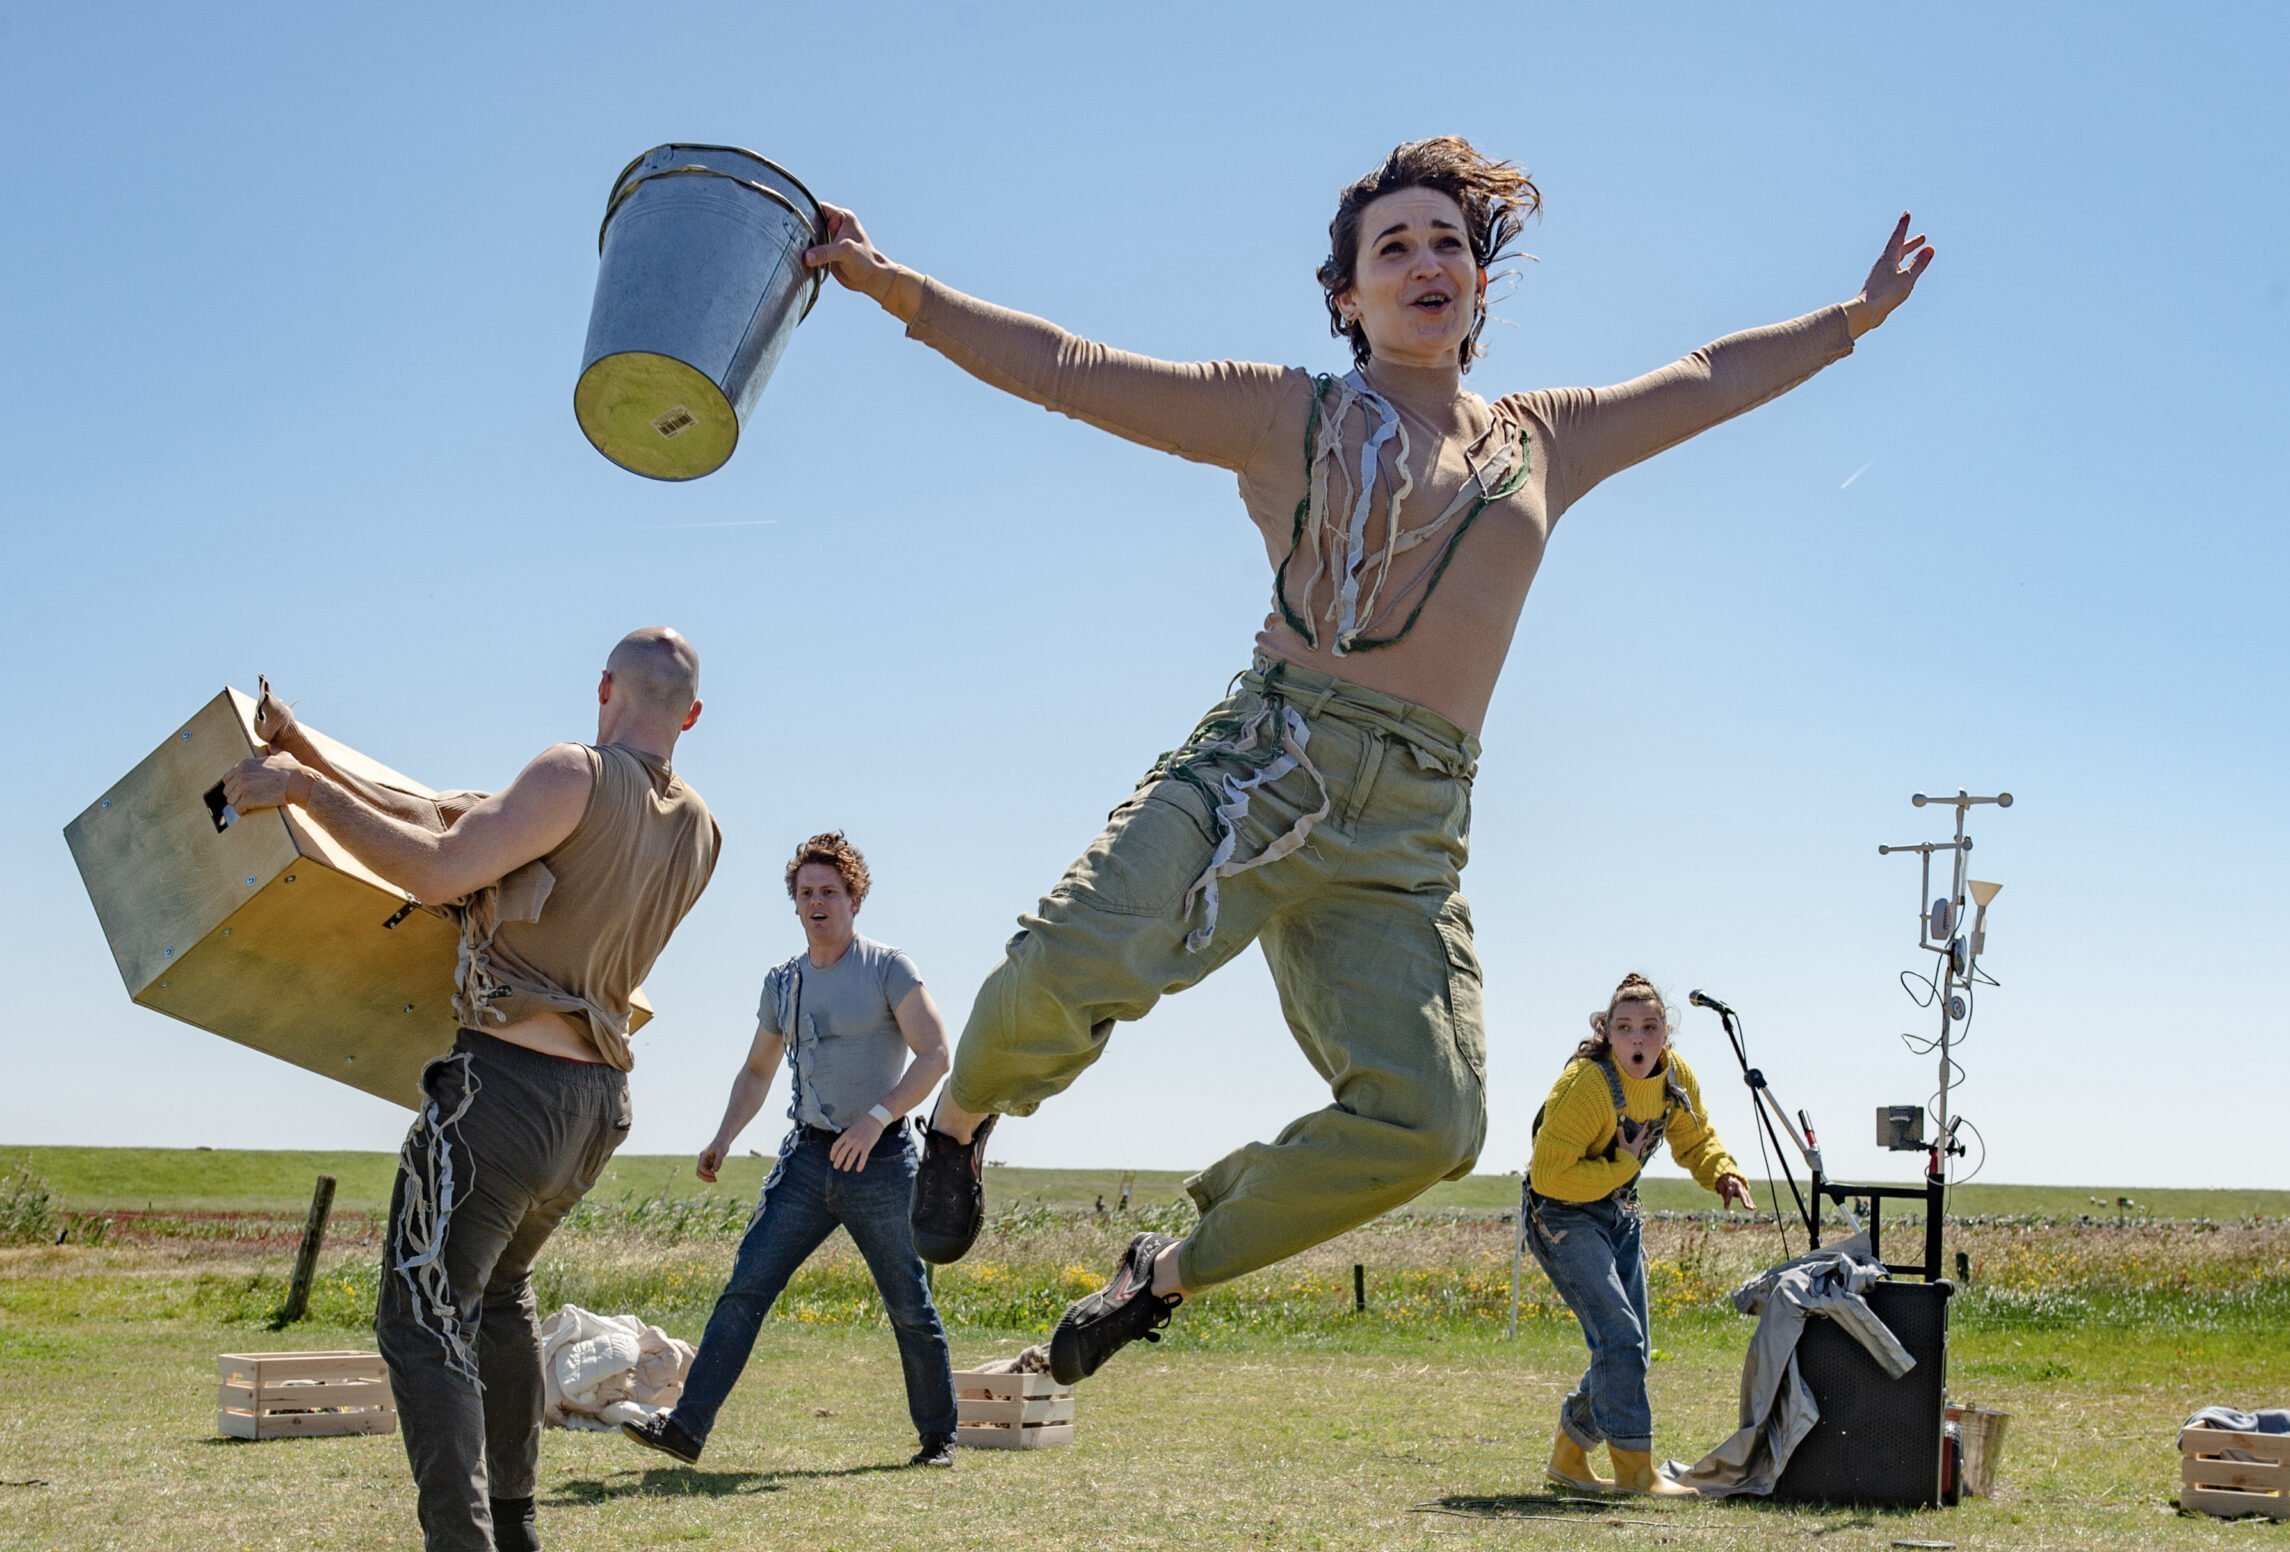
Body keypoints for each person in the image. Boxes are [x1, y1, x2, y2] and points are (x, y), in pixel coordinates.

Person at [799, 137, 1930, 1385]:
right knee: (1065, 959)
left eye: (1448, 241)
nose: (1425, 261)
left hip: (1409, 831)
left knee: (1436, 1121)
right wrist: (889, 282)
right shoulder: (1290, 414)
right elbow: (1069, 368)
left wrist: (1856, 319)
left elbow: (1709, 375)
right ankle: (962, 1123)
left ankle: (1161, 1274)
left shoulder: (1546, 440)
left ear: (1482, 286)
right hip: (1264, 771)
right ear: (1347, 297)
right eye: (1391, 247)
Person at [216, 629, 721, 1552]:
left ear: (605, 688)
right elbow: (467, 823)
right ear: (691, 716)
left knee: (420, 1311)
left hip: (502, 1091)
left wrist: (302, 795)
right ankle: (511, 1517)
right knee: (498, 1294)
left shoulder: (571, 770)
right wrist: (310, 753)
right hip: (597, 1107)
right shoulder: (700, 827)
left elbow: (443, 868)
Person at [624, 833, 957, 1468]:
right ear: (795, 904)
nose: (817, 903)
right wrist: (723, 1136)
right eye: (805, 893)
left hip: (881, 1161)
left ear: (854, 898)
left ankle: (938, 1438)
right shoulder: (783, 984)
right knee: (745, 1289)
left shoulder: (890, 968)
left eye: (829, 891)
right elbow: (757, 1071)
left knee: (908, 1301)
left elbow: (936, 1054)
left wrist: (877, 1119)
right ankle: (687, 1429)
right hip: (807, 1162)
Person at [1526, 973, 1751, 1498]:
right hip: (1560, 1215)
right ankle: (1634, 1474)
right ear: (1607, 1033)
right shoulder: (1585, 1086)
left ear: (1665, 1034)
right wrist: (1622, 1164)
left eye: (1650, 1027)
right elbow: (1549, 1174)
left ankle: (1569, 1456)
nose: (1638, 1039)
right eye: (1625, 1028)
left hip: (1616, 1212)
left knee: (1632, 1347)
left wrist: (1721, 1172)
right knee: (1620, 1340)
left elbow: (1696, 1140)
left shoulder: (1674, 1078)